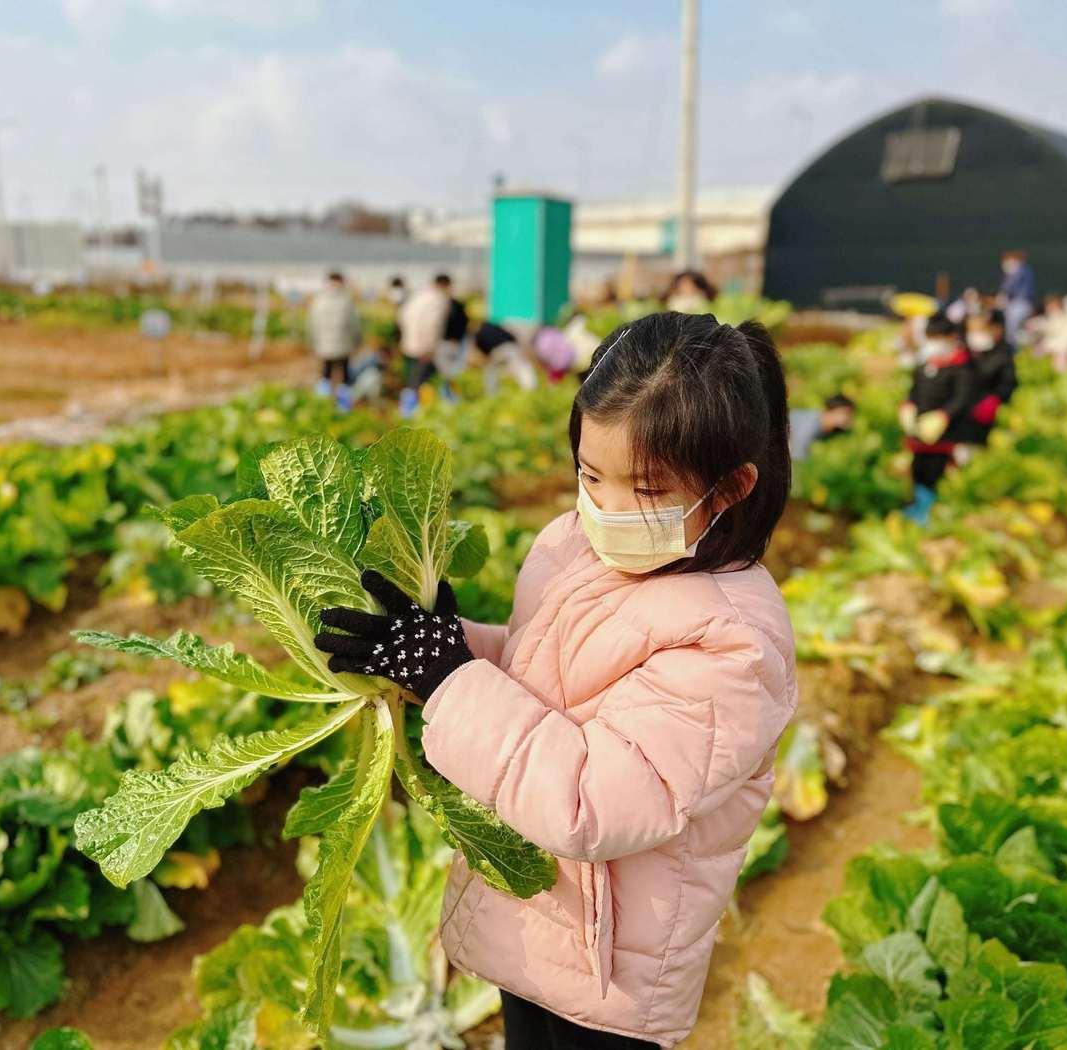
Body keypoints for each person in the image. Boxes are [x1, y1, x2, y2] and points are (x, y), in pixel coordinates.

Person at [315, 312, 797, 1050]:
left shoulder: (733, 643)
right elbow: (548, 671)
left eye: (642, 488)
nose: (603, 505)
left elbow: (593, 800)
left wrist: (449, 681)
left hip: (613, 974)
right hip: (535, 919)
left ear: (729, 489)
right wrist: (454, 647)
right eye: (589, 474)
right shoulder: (576, 545)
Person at [900, 313, 979, 524]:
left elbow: (963, 399)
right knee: (918, 469)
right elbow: (914, 391)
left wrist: (943, 415)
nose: (934, 344)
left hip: (944, 434)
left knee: (936, 473)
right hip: (920, 432)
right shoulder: (924, 364)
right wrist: (908, 407)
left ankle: (930, 512)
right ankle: (915, 507)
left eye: (938, 338)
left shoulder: (961, 367)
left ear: (951, 337)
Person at [398, 273, 453, 416]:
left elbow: (402, 316)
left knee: (410, 379)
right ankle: (415, 414)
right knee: (421, 380)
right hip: (424, 347)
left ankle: (405, 412)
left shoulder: (418, 296)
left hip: (409, 343)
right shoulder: (438, 300)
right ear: (445, 285)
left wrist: (407, 338)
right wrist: (429, 347)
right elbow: (433, 325)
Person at [959, 310, 1017, 445]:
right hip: (962, 417)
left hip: (989, 417)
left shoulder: (1001, 354)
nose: (975, 334)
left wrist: (995, 400)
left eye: (980, 329)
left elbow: (1008, 383)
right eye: (971, 330)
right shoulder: (963, 353)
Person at [309, 271, 361, 396]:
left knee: (326, 371)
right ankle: (344, 403)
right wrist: (356, 342)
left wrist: (314, 343)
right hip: (344, 346)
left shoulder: (318, 301)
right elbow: (355, 325)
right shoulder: (346, 301)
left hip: (324, 346)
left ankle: (322, 399)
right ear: (342, 282)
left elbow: (312, 325)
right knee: (344, 372)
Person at [475, 319, 538, 394]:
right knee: (522, 369)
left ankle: (492, 394)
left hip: (495, 353)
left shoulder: (478, 334)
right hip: (509, 348)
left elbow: (483, 350)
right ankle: (530, 390)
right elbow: (512, 337)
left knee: (491, 373)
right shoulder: (494, 326)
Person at [789, 393, 856, 462]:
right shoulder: (811, 422)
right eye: (845, 413)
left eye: (850, 415)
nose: (847, 418)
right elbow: (797, 453)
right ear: (832, 409)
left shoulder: (831, 431)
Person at [997, 250, 1036, 344]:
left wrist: (1001, 296)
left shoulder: (1021, 270)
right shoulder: (1018, 271)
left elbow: (1008, 287)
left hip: (1020, 305)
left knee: (1013, 333)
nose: (1005, 264)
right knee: (1014, 332)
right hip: (1016, 305)